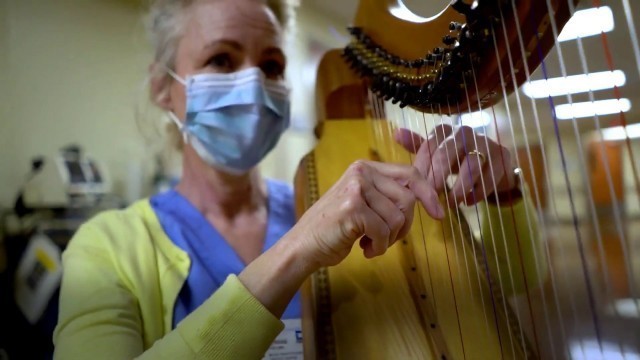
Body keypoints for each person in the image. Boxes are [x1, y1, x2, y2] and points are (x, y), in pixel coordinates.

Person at [52, 0, 541, 359]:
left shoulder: (345, 209)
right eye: (221, 59)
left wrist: (502, 195)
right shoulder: (106, 247)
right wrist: (295, 251)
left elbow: (517, 281)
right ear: (164, 88)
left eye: (271, 65)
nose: (253, 83)